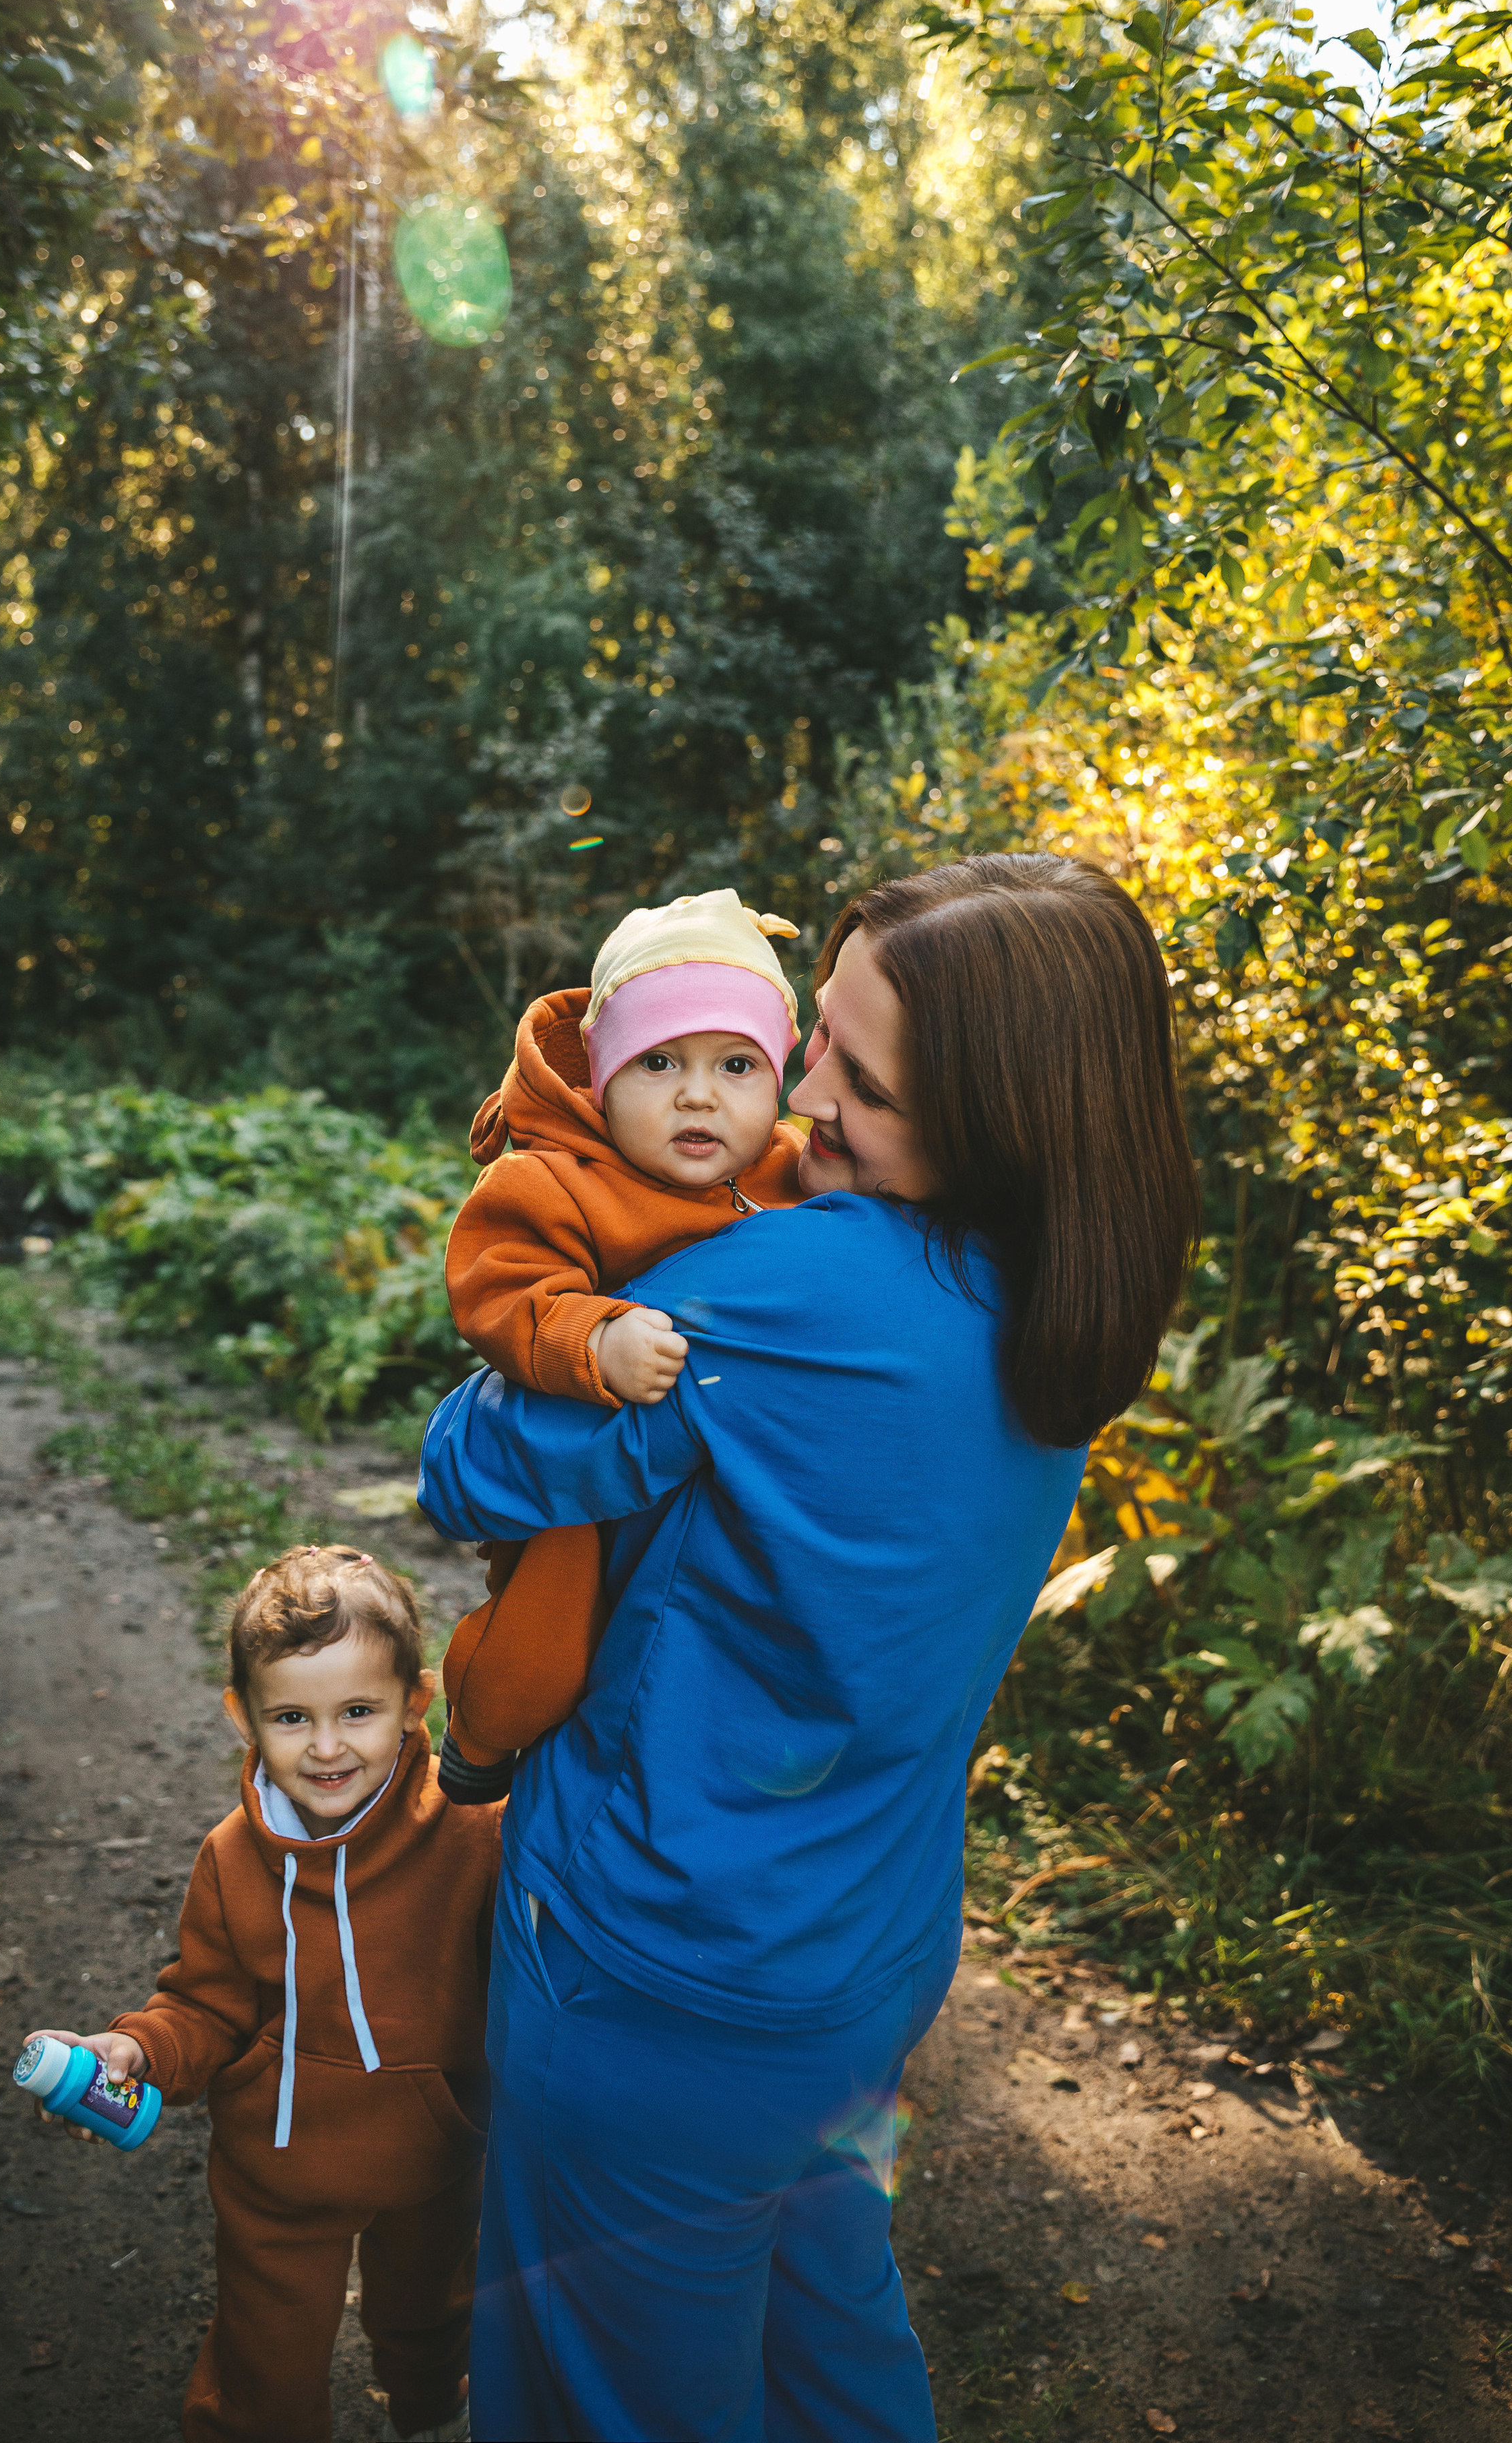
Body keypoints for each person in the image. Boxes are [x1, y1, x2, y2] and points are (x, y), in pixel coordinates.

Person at [417, 854, 1200, 2443]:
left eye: (863, 1080)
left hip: (658, 1982)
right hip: (865, 1968)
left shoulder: (788, 1285)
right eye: (813, 1033)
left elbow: (472, 1465)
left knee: (612, 2397)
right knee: (826, 2339)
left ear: (996, 1124)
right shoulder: (1062, 1290)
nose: (800, 1097)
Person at [22, 1547, 500, 2443]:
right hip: (278, 2168)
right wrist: (138, 2050)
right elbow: (204, 2008)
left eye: (359, 1711)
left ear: (415, 1704)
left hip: (437, 2151)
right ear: (245, 1716)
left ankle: (434, 2413)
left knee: (434, 2314)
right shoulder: (233, 1860)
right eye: (293, 1717)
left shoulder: (474, 1833)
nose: (327, 1747)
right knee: (264, 2355)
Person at [437, 887, 807, 1802]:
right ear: (602, 1077)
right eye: (658, 1063)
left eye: (735, 1065)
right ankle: (480, 1743)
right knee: (544, 1648)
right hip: (587, 1477)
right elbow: (502, 1288)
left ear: (778, 1080)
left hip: (721, 1474)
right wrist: (593, 1337)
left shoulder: (792, 1169)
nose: (697, 1094)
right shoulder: (553, 1180)